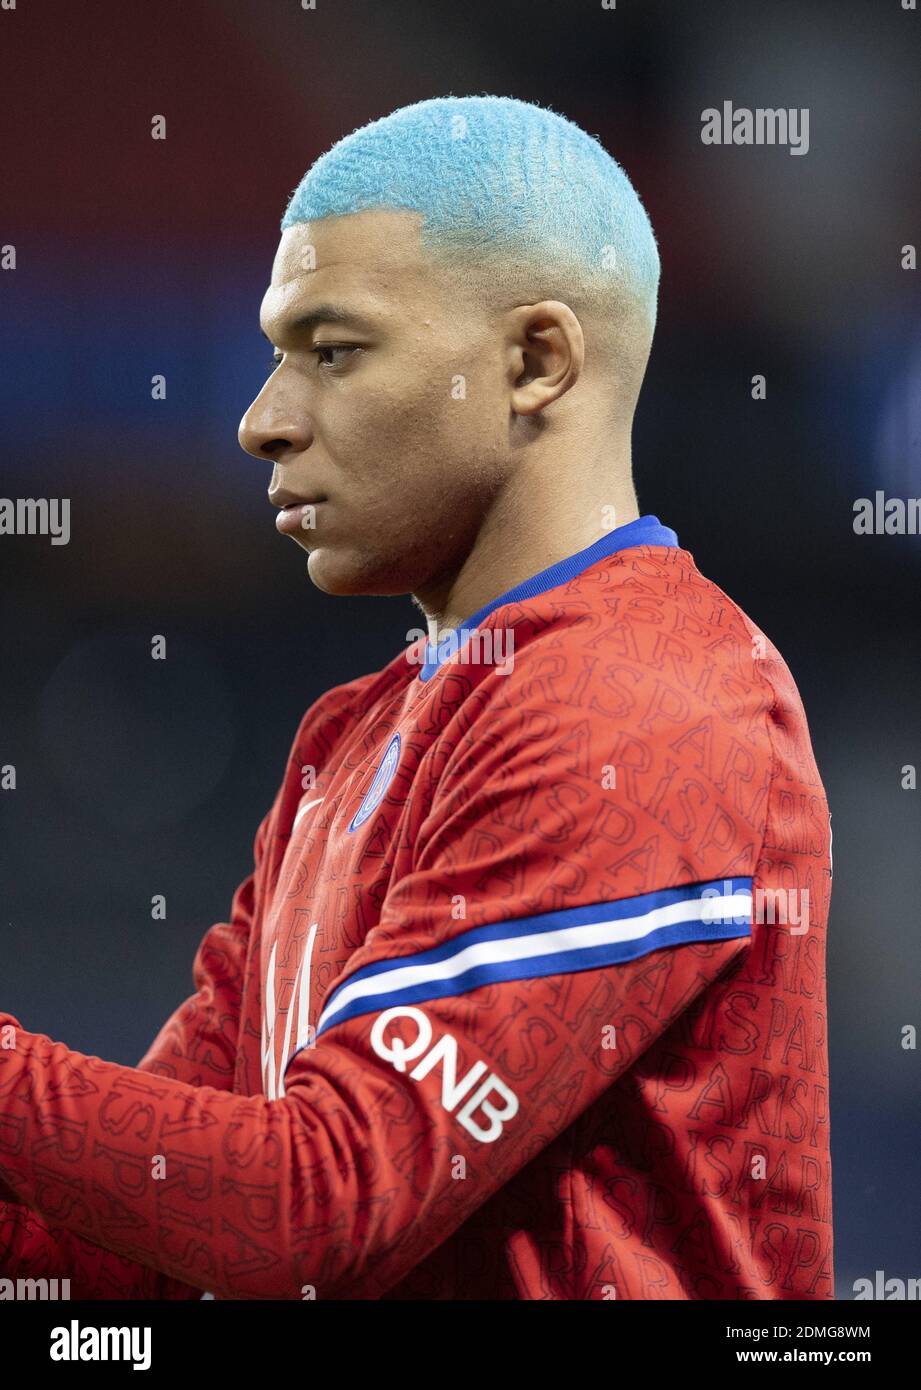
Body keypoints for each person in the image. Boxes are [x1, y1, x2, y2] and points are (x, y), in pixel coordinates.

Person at [0, 95, 833, 1300]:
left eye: (333, 352)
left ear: (536, 360)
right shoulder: (352, 736)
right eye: (279, 355)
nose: (261, 420)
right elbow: (147, 1243)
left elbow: (318, 1204)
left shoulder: (643, 702)